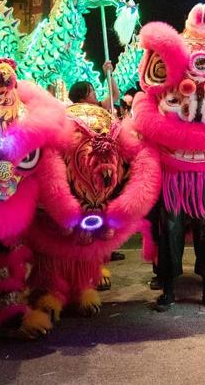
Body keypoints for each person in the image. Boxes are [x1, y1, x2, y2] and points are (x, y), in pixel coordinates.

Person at [69, 61, 125, 263]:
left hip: (105, 168)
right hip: (81, 171)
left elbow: (115, 95)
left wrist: (108, 73)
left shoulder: (100, 109)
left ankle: (105, 250)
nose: (95, 94)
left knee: (106, 206)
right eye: (92, 91)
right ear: (83, 96)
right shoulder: (72, 114)